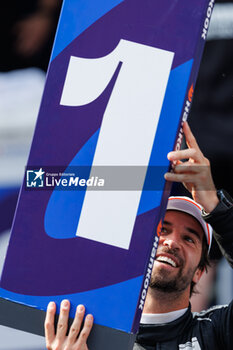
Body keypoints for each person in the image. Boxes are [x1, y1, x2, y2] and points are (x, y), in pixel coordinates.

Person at [44, 122, 233, 350]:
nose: (172, 242)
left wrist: (214, 205)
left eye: (189, 239)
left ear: (200, 272)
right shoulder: (83, 337)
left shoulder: (218, 330)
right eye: (163, 230)